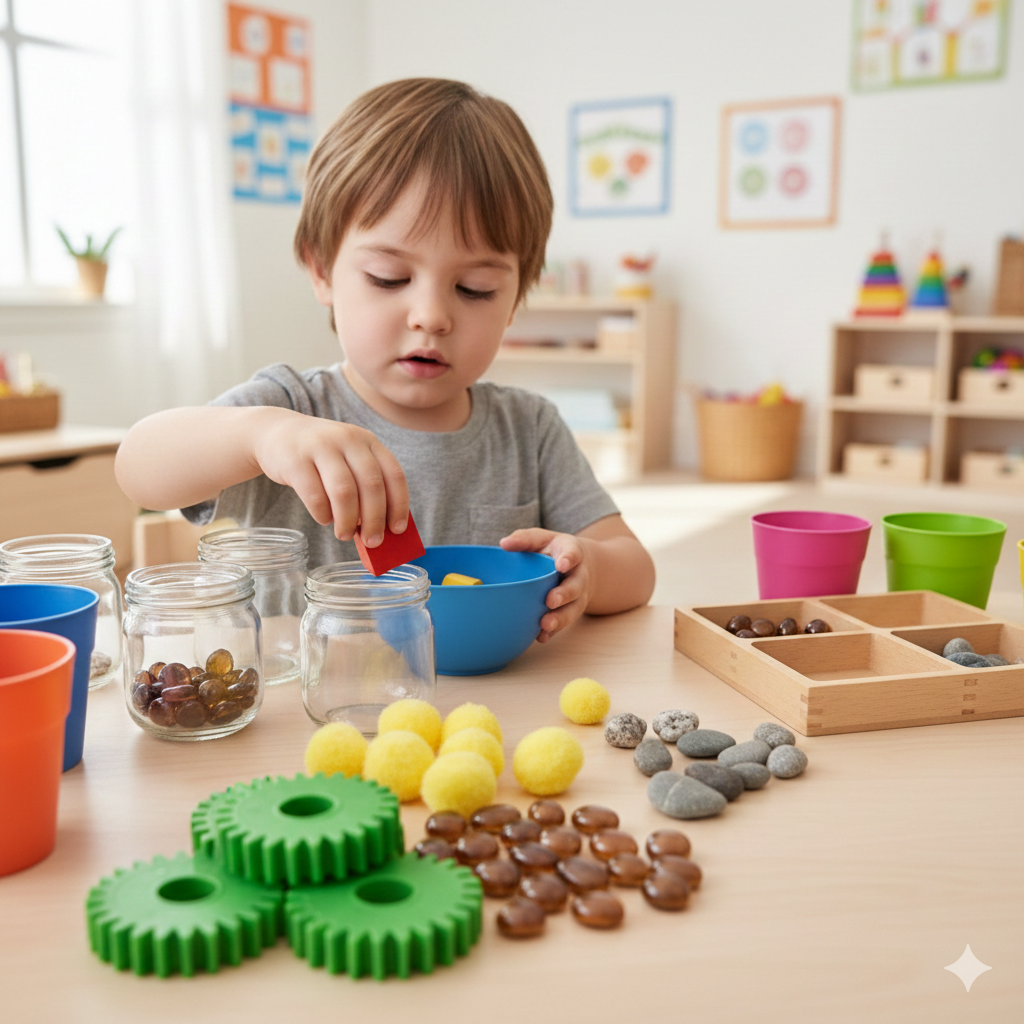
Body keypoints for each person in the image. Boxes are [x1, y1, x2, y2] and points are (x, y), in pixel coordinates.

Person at [115, 78, 655, 643]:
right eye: (389, 278)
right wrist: (262, 435)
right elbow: (138, 468)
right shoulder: (292, 409)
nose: (431, 315)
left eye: (474, 288)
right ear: (322, 271)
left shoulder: (530, 429)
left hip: (488, 715)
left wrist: (588, 568)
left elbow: (636, 569)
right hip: (317, 710)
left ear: (517, 297)